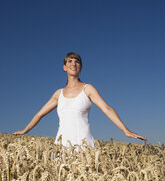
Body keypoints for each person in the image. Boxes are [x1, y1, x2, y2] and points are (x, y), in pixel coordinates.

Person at [13, 52, 147, 145]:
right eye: (69, 61)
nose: (73, 64)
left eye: (77, 62)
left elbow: (106, 108)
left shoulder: (88, 89)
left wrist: (125, 130)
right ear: (64, 67)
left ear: (80, 67)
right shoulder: (58, 94)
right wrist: (25, 130)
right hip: (62, 145)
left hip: (84, 144)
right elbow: (39, 114)